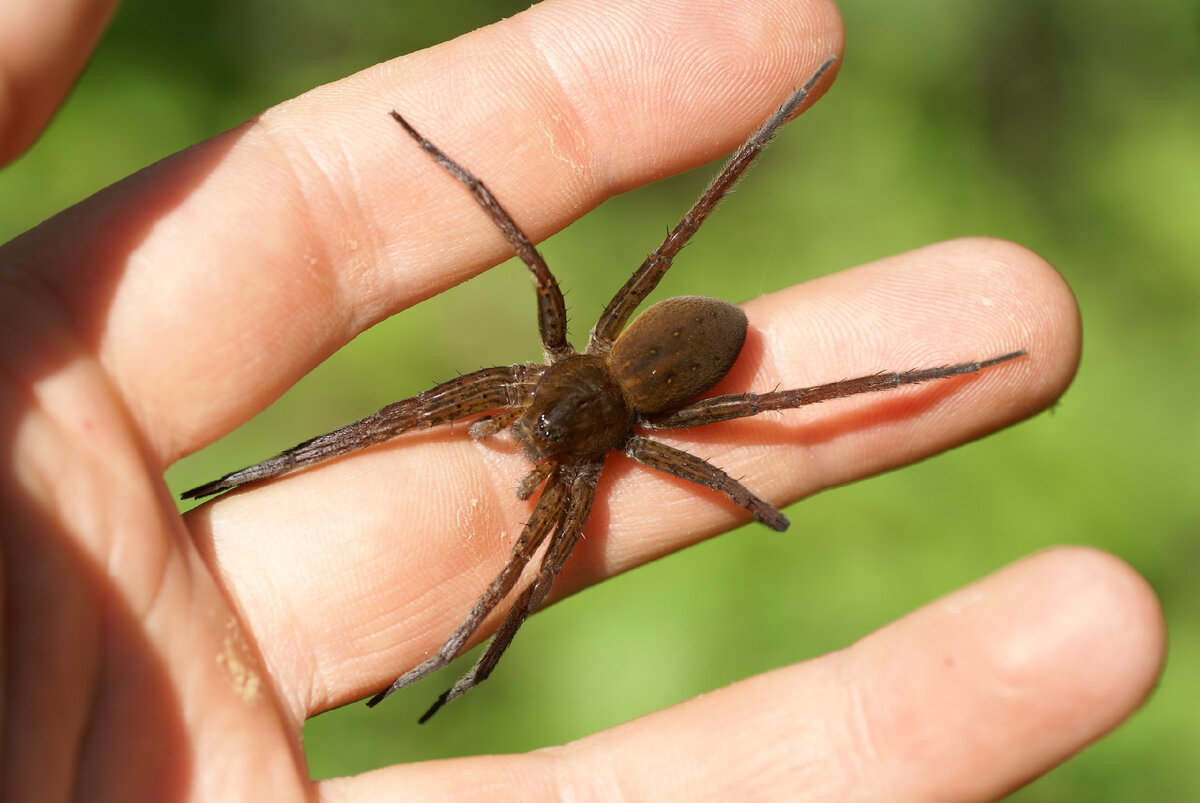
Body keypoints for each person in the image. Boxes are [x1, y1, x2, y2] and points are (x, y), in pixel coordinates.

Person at [0, 0, 1163, 800]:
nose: (526, 434)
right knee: (415, 418)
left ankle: (460, 651)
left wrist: (477, 633)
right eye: (530, 423)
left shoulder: (637, 426)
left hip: (663, 363)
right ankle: (335, 536)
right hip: (623, 372)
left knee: (540, 537)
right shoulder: (549, 394)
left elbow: (548, 536)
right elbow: (504, 297)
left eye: (537, 429)